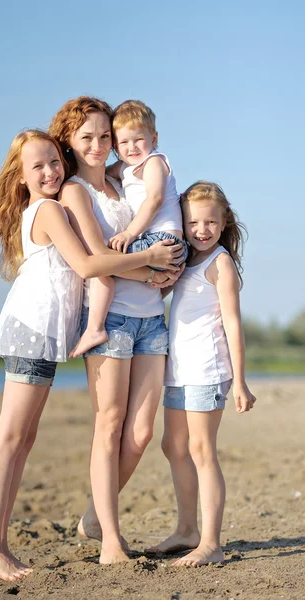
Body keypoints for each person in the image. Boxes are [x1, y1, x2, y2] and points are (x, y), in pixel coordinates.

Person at [0, 129, 180, 581]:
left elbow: (94, 260)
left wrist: (150, 270)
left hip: (44, 332)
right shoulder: (47, 209)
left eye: (53, 162)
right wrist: (153, 266)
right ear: (21, 178)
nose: (49, 172)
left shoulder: (50, 205)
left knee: (21, 441)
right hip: (31, 327)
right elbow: (88, 264)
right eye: (37, 167)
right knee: (10, 439)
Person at [49, 97, 185, 564]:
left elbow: (164, 224)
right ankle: (110, 538)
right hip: (110, 321)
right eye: (86, 136)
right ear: (70, 141)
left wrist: (168, 277)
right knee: (109, 426)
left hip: (152, 317)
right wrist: (150, 265)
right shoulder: (73, 192)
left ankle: (92, 516)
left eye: (104, 135)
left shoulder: (122, 178)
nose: (98, 144)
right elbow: (95, 262)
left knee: (142, 432)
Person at [148, 181, 257, 566]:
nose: (202, 229)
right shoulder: (186, 259)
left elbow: (233, 323)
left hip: (208, 370)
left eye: (211, 221)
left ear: (224, 220)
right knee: (172, 446)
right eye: (193, 221)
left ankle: (211, 543)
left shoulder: (219, 263)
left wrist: (240, 381)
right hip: (179, 370)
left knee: (200, 450)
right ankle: (186, 529)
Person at [70, 100, 188, 358]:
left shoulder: (154, 162)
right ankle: (97, 325)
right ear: (116, 146)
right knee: (104, 262)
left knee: (104, 262)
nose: (132, 147)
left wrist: (129, 234)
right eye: (123, 142)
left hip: (161, 239)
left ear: (154, 138)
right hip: (154, 249)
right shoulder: (125, 168)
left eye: (139, 140)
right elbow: (106, 170)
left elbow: (155, 199)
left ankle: (94, 327)